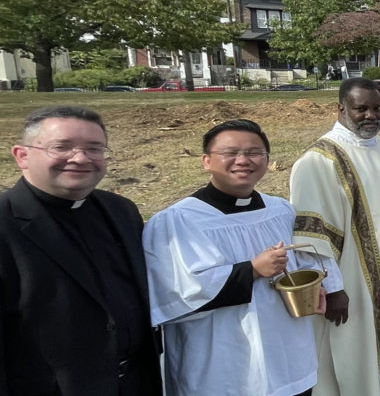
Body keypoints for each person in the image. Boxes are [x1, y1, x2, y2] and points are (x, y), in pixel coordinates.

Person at [144, 119, 340, 395]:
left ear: (267, 159)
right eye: (230, 153)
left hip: (287, 357)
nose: (243, 160)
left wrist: (322, 286)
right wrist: (252, 271)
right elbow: (173, 296)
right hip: (223, 365)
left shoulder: (281, 210)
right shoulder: (178, 221)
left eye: (254, 153)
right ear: (206, 161)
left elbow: (308, 257)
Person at [0, 106, 162, 395]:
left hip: (137, 383)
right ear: (22, 155)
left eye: (95, 149)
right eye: (62, 147)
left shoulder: (121, 210)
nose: (81, 158)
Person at [289, 78, 380, 395]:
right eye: (360, 108)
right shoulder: (320, 160)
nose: (370, 115)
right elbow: (312, 237)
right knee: (358, 360)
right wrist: (333, 288)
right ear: (341, 109)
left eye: (376, 108)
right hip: (353, 286)